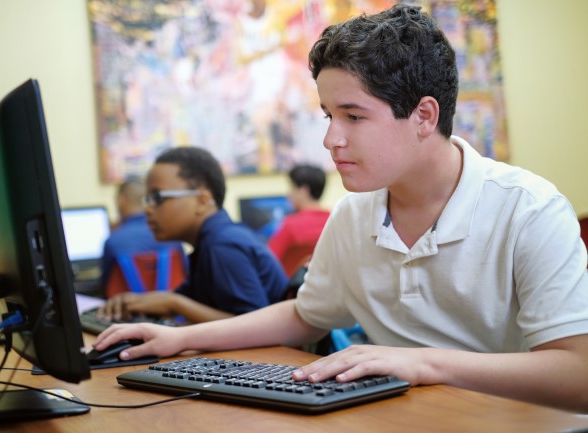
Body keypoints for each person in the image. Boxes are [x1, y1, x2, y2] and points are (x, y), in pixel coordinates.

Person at [93, 4, 588, 412]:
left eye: (353, 116)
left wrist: (423, 362)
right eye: (329, 115)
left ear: (423, 115)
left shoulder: (529, 210)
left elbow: (577, 374)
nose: (331, 139)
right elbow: (305, 316)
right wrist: (178, 339)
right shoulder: (354, 214)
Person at [99, 146, 289, 323]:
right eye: (146, 199)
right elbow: (186, 300)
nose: (147, 209)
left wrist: (174, 303)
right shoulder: (208, 242)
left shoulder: (222, 245)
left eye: (157, 197)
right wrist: (136, 302)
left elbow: (254, 325)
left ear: (203, 201)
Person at [100, 178, 168, 290]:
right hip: (171, 305)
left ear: (121, 200)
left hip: (125, 306)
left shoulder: (114, 241)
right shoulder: (171, 237)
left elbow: (106, 286)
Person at [267, 164, 330, 268]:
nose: (289, 194)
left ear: (303, 190)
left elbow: (268, 261)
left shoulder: (290, 225)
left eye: (292, 188)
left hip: (292, 283)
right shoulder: (334, 219)